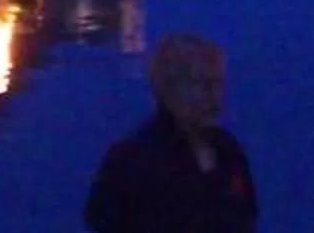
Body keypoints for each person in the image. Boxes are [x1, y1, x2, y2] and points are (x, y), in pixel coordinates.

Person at [83, 32, 256, 232]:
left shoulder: (228, 152)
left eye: (218, 84)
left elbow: (247, 218)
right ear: (171, 88)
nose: (215, 97)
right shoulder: (131, 160)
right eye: (204, 85)